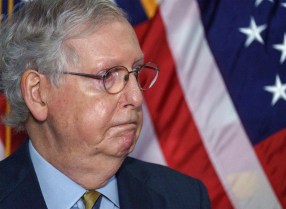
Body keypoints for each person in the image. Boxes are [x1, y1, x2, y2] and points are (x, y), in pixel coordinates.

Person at [0, 0, 210, 208]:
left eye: (136, 72)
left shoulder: (183, 198)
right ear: (38, 93)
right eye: (107, 75)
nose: (136, 97)